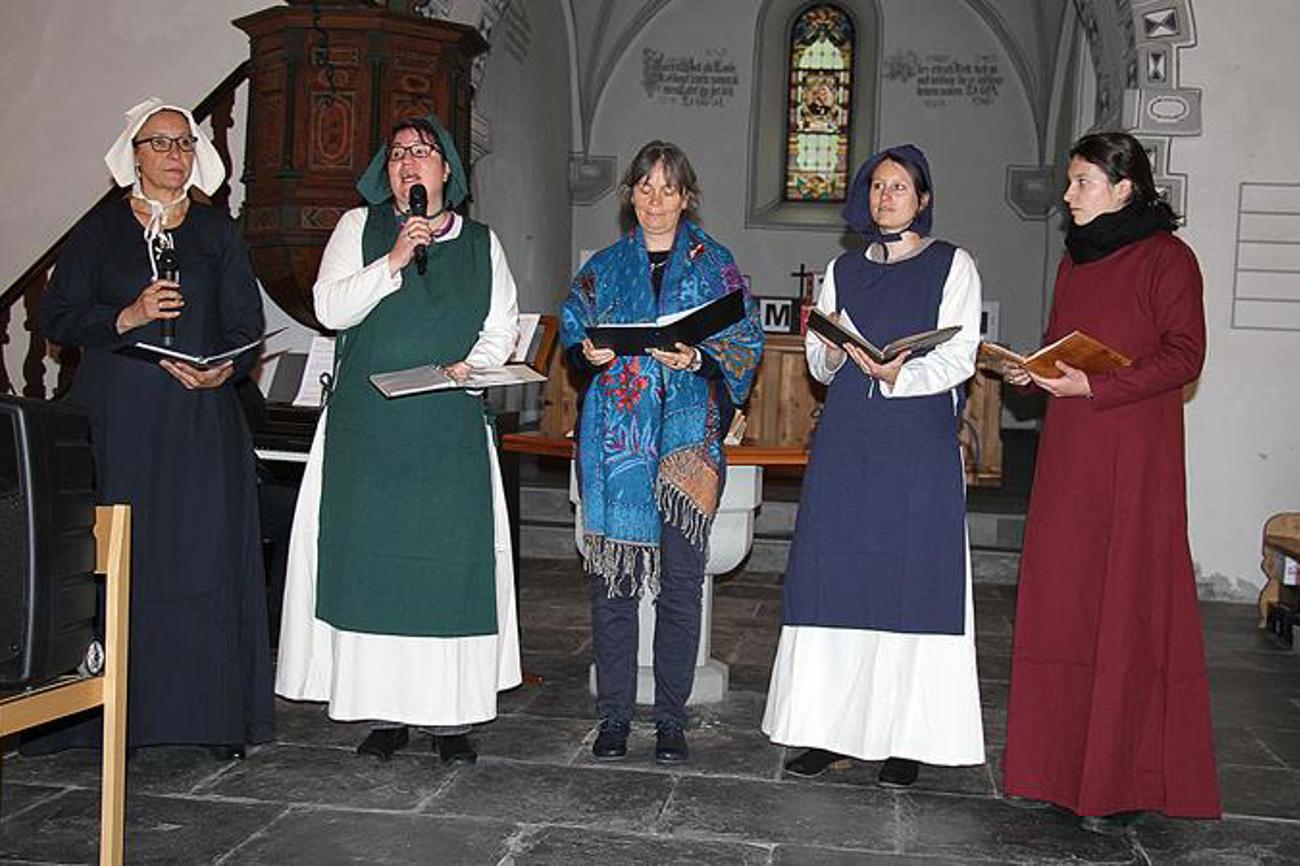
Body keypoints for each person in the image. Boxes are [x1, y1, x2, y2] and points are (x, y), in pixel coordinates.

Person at [275, 115, 521, 765]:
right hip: (369, 431)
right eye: (397, 156)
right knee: (372, 568)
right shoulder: (360, 230)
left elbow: (499, 331)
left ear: (447, 172)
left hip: (449, 428)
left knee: (448, 573)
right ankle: (381, 713)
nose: (408, 163)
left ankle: (451, 719)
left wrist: (474, 367)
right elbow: (330, 309)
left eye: (422, 152)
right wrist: (394, 259)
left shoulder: (483, 243)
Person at [36, 97, 273, 757]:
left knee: (202, 559)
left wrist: (225, 370)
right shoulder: (98, 231)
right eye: (160, 142)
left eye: (184, 142)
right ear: (133, 153)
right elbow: (58, 318)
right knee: (124, 564)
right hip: (121, 423)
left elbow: (244, 324)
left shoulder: (217, 232)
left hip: (200, 422)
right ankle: (117, 716)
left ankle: (212, 716)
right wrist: (128, 316)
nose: (175, 153)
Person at [1001, 131, 1220, 832]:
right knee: (1063, 600)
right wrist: (1030, 372)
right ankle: (1050, 769)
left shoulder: (1168, 259)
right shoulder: (1074, 262)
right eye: (1070, 183)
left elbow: (1185, 355)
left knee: (1124, 605)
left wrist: (1096, 385)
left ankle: (1121, 782)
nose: (1068, 197)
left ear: (1124, 187)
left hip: (1134, 455)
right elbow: (1062, 344)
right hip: (1070, 456)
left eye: (1081, 183)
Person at [762, 144, 984, 788]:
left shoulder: (953, 264)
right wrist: (835, 355)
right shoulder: (843, 269)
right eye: (878, 186)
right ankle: (828, 732)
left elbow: (960, 354)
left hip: (916, 440)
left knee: (909, 583)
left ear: (924, 197)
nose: (887, 197)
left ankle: (905, 739)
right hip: (848, 439)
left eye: (900, 187)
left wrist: (899, 372)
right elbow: (817, 356)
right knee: (835, 578)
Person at [560, 140, 763, 763]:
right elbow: (573, 322)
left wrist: (698, 358)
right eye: (644, 188)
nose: (655, 200)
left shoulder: (714, 263)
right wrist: (585, 351)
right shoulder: (604, 268)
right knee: (613, 584)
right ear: (629, 196)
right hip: (617, 444)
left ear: (686, 197)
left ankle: (670, 718)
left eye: (667, 188)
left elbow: (745, 339)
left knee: (680, 586)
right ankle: (615, 716)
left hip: (685, 448)